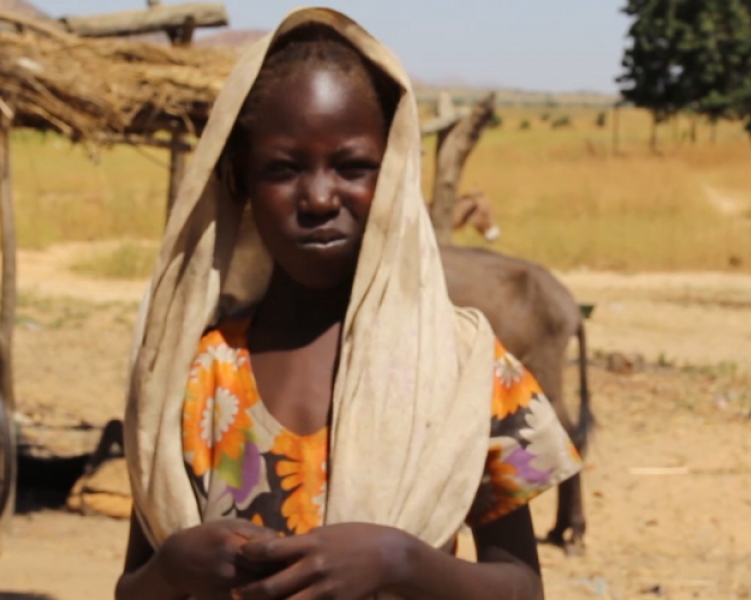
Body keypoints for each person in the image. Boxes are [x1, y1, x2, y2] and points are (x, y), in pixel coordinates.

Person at [116, 8, 582, 600]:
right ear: (239, 179)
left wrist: (402, 562)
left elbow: (521, 588)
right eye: (282, 169)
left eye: (353, 166)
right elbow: (130, 589)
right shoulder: (188, 377)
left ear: (393, 174)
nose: (317, 196)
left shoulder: (463, 370)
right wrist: (170, 569)